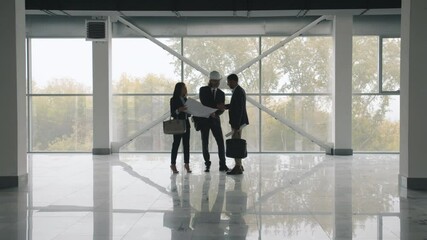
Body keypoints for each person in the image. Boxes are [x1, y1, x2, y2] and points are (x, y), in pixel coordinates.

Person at [198, 71, 229, 172]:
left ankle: (223, 165)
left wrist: (216, 113)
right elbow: (204, 102)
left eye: (218, 81)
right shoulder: (203, 90)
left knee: (220, 142)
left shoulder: (221, 93)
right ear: (210, 80)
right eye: (215, 81)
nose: (217, 83)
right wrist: (215, 107)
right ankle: (207, 164)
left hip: (215, 119)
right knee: (205, 142)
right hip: (205, 120)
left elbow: (221, 109)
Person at [223, 74, 249, 175]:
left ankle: (237, 166)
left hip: (237, 122)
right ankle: (239, 165)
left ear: (233, 81)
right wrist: (225, 106)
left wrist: (236, 125)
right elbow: (235, 106)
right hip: (238, 122)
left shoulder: (238, 91)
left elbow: (239, 109)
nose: (228, 84)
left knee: (236, 144)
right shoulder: (238, 91)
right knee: (236, 143)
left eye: (229, 82)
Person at [170, 82, 192, 173]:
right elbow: (172, 113)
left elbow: (189, 114)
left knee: (186, 144)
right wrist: (179, 110)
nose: (185, 89)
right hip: (178, 123)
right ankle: (173, 164)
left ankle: (186, 164)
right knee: (176, 144)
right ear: (179, 89)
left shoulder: (185, 99)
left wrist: (190, 111)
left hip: (186, 123)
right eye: (184, 88)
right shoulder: (173, 99)